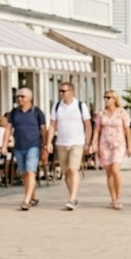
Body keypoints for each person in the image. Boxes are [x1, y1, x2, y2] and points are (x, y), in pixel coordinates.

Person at [46, 82, 92, 210]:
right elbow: (52, 125)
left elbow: (87, 125)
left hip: (77, 142)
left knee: (73, 169)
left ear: (71, 92)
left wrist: (88, 142)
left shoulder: (80, 106)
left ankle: (72, 198)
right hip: (61, 142)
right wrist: (49, 142)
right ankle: (73, 197)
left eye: (63, 91)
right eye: (60, 91)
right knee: (66, 172)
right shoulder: (56, 106)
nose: (61, 93)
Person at [1, 88, 47, 211]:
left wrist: (46, 146)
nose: (20, 99)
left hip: (33, 145)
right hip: (19, 146)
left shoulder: (37, 112)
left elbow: (43, 130)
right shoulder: (14, 112)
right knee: (24, 174)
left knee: (31, 171)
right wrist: (4, 145)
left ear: (29, 98)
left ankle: (26, 200)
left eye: (22, 96)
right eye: (18, 97)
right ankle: (33, 197)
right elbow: (8, 129)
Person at [90, 90, 131, 210]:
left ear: (114, 99)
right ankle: (113, 199)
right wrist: (94, 143)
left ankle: (119, 199)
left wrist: (130, 146)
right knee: (109, 172)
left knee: (115, 169)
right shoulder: (101, 113)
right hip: (105, 144)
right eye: (105, 97)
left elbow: (127, 130)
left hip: (118, 144)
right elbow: (97, 129)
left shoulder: (122, 112)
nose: (106, 100)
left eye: (108, 97)